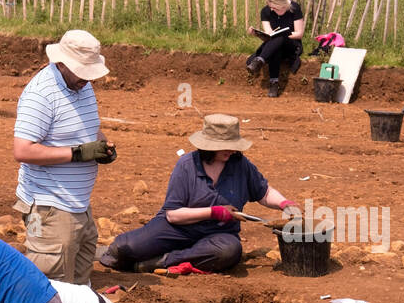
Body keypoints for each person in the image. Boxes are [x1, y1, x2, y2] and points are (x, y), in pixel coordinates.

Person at [97, 114, 300, 274]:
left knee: (229, 251)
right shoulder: (186, 165)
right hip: (176, 229)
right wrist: (214, 212)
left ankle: (161, 261)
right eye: (224, 146)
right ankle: (116, 255)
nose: (230, 150)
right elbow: (173, 215)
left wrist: (284, 204)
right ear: (208, 146)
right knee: (124, 248)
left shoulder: (240, 165)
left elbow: (263, 192)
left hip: (218, 235)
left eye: (233, 145)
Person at [12, 29, 115, 285]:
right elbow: (22, 150)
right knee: (52, 287)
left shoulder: (82, 85)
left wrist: (101, 145)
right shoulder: (41, 94)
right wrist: (78, 154)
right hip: (48, 207)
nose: (87, 79)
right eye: (82, 71)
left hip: (79, 204)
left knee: (79, 287)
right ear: (61, 63)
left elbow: (84, 128)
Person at [247, 0, 305, 98]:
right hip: (275, 45)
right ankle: (274, 83)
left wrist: (284, 35)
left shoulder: (294, 8)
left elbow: (299, 33)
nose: (272, 10)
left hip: (292, 44)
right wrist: (257, 34)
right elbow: (269, 36)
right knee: (276, 45)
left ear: (282, 5)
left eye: (274, 7)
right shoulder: (266, 11)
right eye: (270, 7)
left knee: (280, 38)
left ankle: (259, 61)